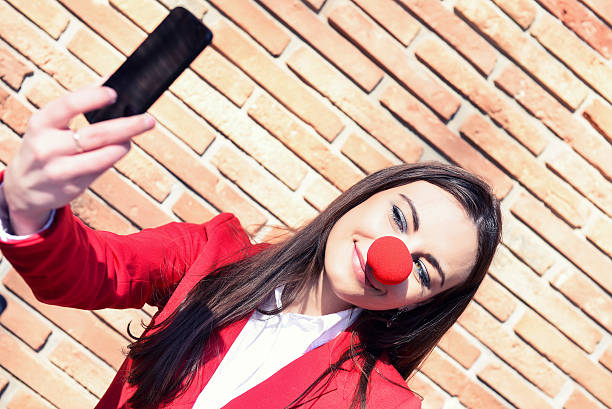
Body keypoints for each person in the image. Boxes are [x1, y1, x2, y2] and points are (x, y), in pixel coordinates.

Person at [0, 85, 502, 409]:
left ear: (423, 304)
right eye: (398, 218)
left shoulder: (379, 404)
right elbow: (91, 271)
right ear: (364, 196)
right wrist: (29, 210)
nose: (388, 257)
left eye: (423, 270)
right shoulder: (213, 253)